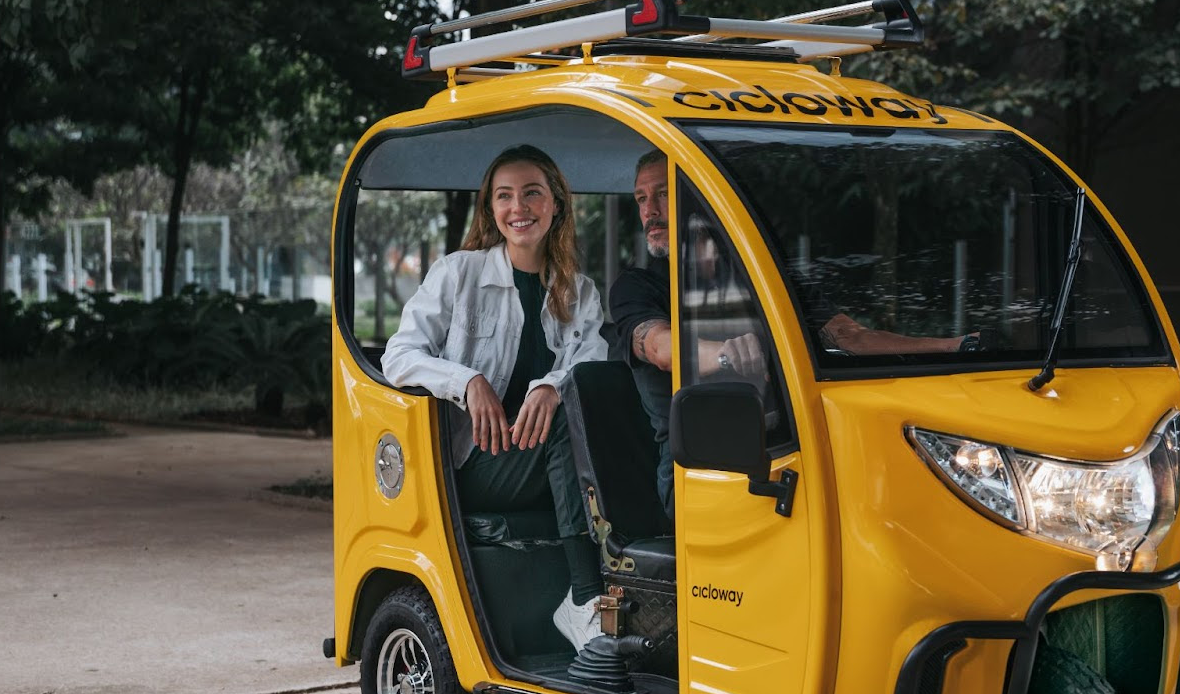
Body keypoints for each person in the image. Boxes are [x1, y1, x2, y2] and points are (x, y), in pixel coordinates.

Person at [609, 149, 970, 514]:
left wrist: (952, 346)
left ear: (700, 196)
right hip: (698, 473)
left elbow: (850, 336)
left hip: (792, 452)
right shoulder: (636, 287)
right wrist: (725, 354)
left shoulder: (765, 278)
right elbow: (661, 347)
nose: (650, 210)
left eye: (664, 193)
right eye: (641, 198)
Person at [383, 144, 609, 654]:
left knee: (586, 407)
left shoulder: (580, 292)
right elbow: (399, 356)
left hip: (543, 461)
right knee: (562, 423)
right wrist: (467, 381)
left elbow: (593, 363)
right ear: (491, 210)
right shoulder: (458, 273)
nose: (518, 207)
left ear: (556, 205)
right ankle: (585, 597)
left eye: (532, 193)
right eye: (504, 196)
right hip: (475, 468)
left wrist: (552, 387)